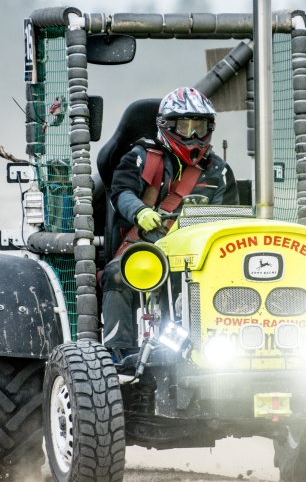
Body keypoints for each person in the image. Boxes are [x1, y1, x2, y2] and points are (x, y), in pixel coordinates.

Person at [101, 86, 238, 361]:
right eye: (184, 127)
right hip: (147, 245)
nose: (193, 135)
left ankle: (213, 348)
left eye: (199, 127)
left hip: (197, 254)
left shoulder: (219, 171)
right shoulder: (141, 156)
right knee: (116, 274)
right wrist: (140, 212)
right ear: (166, 126)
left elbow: (229, 220)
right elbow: (121, 192)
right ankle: (118, 355)